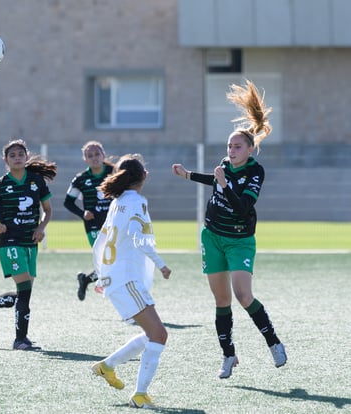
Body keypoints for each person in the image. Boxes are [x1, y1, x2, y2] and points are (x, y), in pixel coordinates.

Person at [172, 80, 287, 379]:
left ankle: (273, 342)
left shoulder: (255, 171)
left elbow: (243, 208)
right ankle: (228, 355)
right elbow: (213, 180)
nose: (232, 150)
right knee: (221, 300)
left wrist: (223, 182)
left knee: (243, 295)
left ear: (250, 149)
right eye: (229, 146)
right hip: (212, 237)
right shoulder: (224, 165)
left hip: (239, 241)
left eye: (237, 146)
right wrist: (187, 175)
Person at [91, 154, 171, 409]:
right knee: (159, 334)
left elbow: (98, 243)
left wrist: (100, 275)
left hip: (116, 279)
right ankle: (140, 394)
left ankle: (107, 366)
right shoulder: (136, 202)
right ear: (144, 176)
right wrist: (161, 264)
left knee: (152, 334)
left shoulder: (118, 202)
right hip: (126, 280)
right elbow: (138, 237)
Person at [0, 139, 57, 351]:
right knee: (24, 291)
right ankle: (20, 340)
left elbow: (48, 210)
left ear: (26, 157)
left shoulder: (36, 182)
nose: (17, 158)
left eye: (20, 154)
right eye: (12, 155)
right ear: (5, 160)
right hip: (10, 243)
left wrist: (41, 228)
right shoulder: (0, 185)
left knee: (23, 294)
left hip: (30, 242)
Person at [64, 141, 113, 301]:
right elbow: (68, 202)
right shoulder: (81, 179)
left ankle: (86, 279)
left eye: (97, 154)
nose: (94, 158)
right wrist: (82, 213)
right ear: (85, 160)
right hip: (93, 226)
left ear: (103, 155)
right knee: (106, 259)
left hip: (114, 224)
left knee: (114, 260)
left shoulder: (114, 173)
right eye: (90, 156)